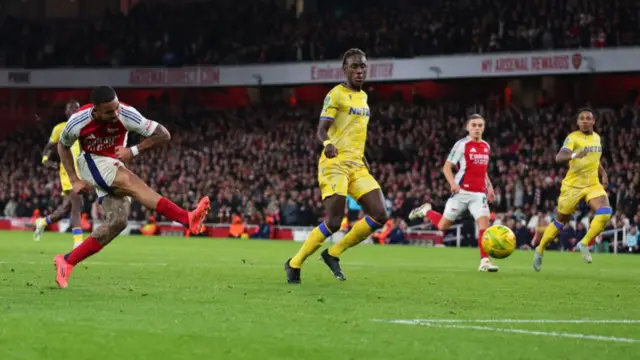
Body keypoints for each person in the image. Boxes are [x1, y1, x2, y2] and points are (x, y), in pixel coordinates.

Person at [53, 86, 210, 288]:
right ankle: (186, 218)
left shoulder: (126, 113)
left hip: (113, 163)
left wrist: (133, 150)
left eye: (116, 108)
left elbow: (164, 134)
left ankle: (67, 261)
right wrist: (74, 179)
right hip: (91, 162)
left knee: (118, 221)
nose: (115, 114)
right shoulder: (79, 120)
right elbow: (62, 146)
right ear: (96, 110)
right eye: (109, 111)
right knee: (133, 184)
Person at [284, 48, 388, 284]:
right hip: (335, 164)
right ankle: (294, 263)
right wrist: (328, 144)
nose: (359, 71)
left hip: (357, 164)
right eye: (354, 66)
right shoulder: (336, 94)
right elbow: (321, 129)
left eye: (362, 66)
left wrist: (363, 157)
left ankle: (333, 253)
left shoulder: (364, 97)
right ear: (345, 69)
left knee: (380, 214)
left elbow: (355, 131)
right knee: (334, 221)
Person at [408, 114, 499, 272]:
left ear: (483, 128)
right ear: (468, 127)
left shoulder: (486, 146)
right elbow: (446, 167)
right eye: (474, 125)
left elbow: (482, 170)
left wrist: (489, 187)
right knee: (443, 226)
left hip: (479, 194)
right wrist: (453, 184)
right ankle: (426, 210)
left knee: (484, 226)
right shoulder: (462, 145)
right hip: (461, 191)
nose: (477, 128)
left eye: (480, 125)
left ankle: (484, 261)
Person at [533, 108, 610, 271]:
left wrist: (603, 174)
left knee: (605, 212)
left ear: (593, 121)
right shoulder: (572, 138)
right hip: (572, 186)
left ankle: (584, 243)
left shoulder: (597, 138)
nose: (584, 121)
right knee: (561, 220)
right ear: (577, 122)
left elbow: (594, 161)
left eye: (588, 118)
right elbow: (559, 157)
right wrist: (574, 155)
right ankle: (540, 248)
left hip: (592, 184)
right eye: (581, 118)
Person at [33, 100, 84, 248]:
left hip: (83, 170)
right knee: (77, 203)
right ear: (66, 112)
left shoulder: (85, 128)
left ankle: (42, 222)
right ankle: (78, 242)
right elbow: (48, 147)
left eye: (76, 108)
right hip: (67, 170)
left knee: (66, 208)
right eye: (70, 108)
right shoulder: (60, 128)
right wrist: (45, 160)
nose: (73, 111)